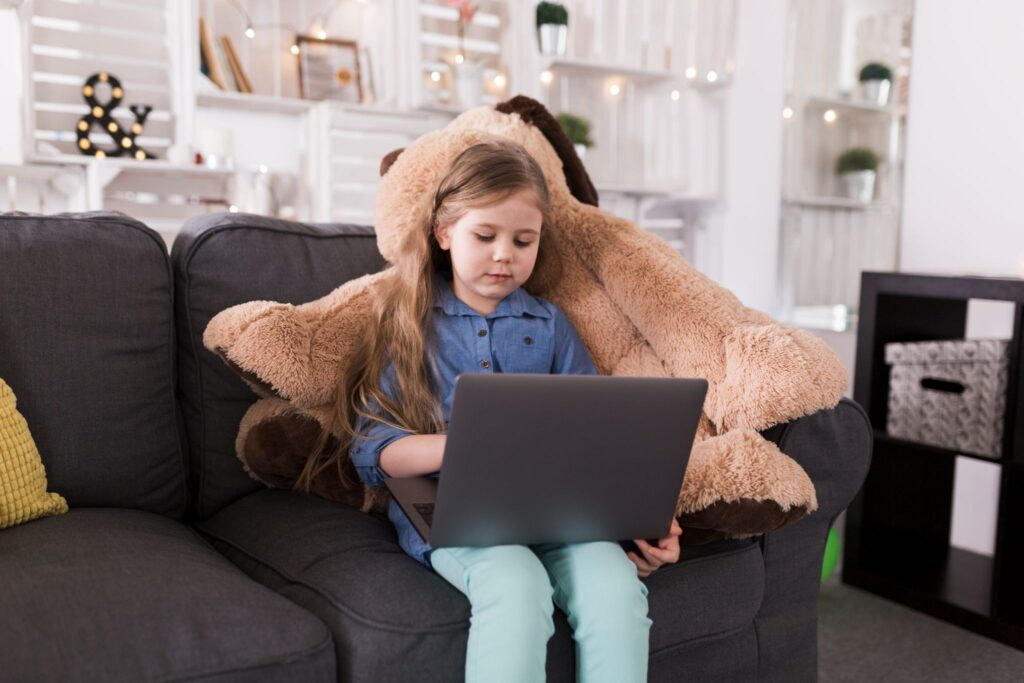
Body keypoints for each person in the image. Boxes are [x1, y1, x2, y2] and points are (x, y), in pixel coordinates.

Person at [297, 139, 683, 683]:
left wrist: (633, 521)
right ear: (444, 233)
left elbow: (595, 435)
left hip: (554, 508)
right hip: (450, 512)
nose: (505, 253)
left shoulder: (550, 325)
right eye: (486, 236)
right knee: (516, 586)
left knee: (617, 589)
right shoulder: (408, 322)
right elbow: (373, 452)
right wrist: (466, 444)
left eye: (523, 240)